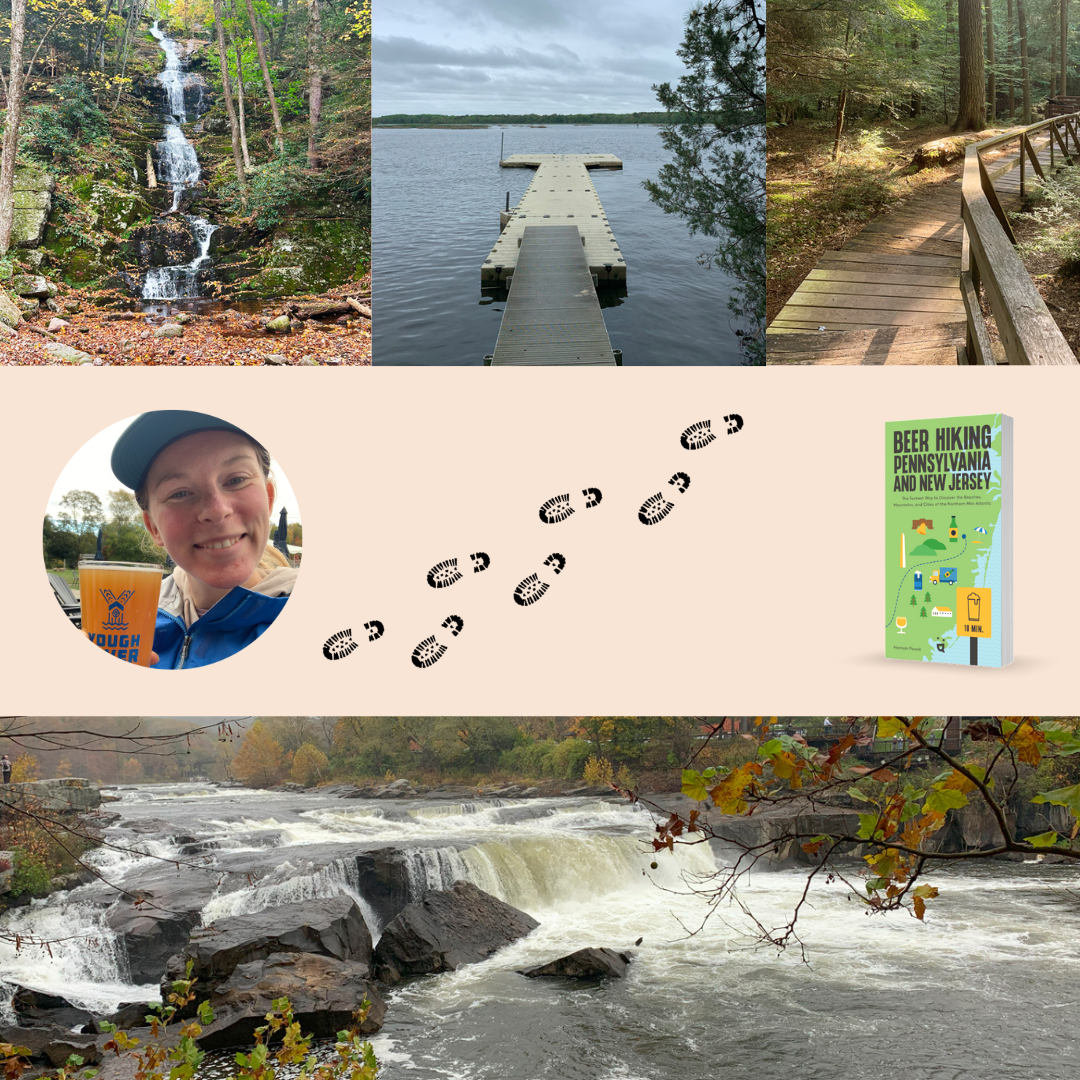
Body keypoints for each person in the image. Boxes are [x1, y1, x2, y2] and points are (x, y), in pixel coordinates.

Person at [111, 411, 298, 669]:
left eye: (236, 480)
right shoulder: (127, 620)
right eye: (180, 493)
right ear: (153, 527)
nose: (216, 510)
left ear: (267, 499)